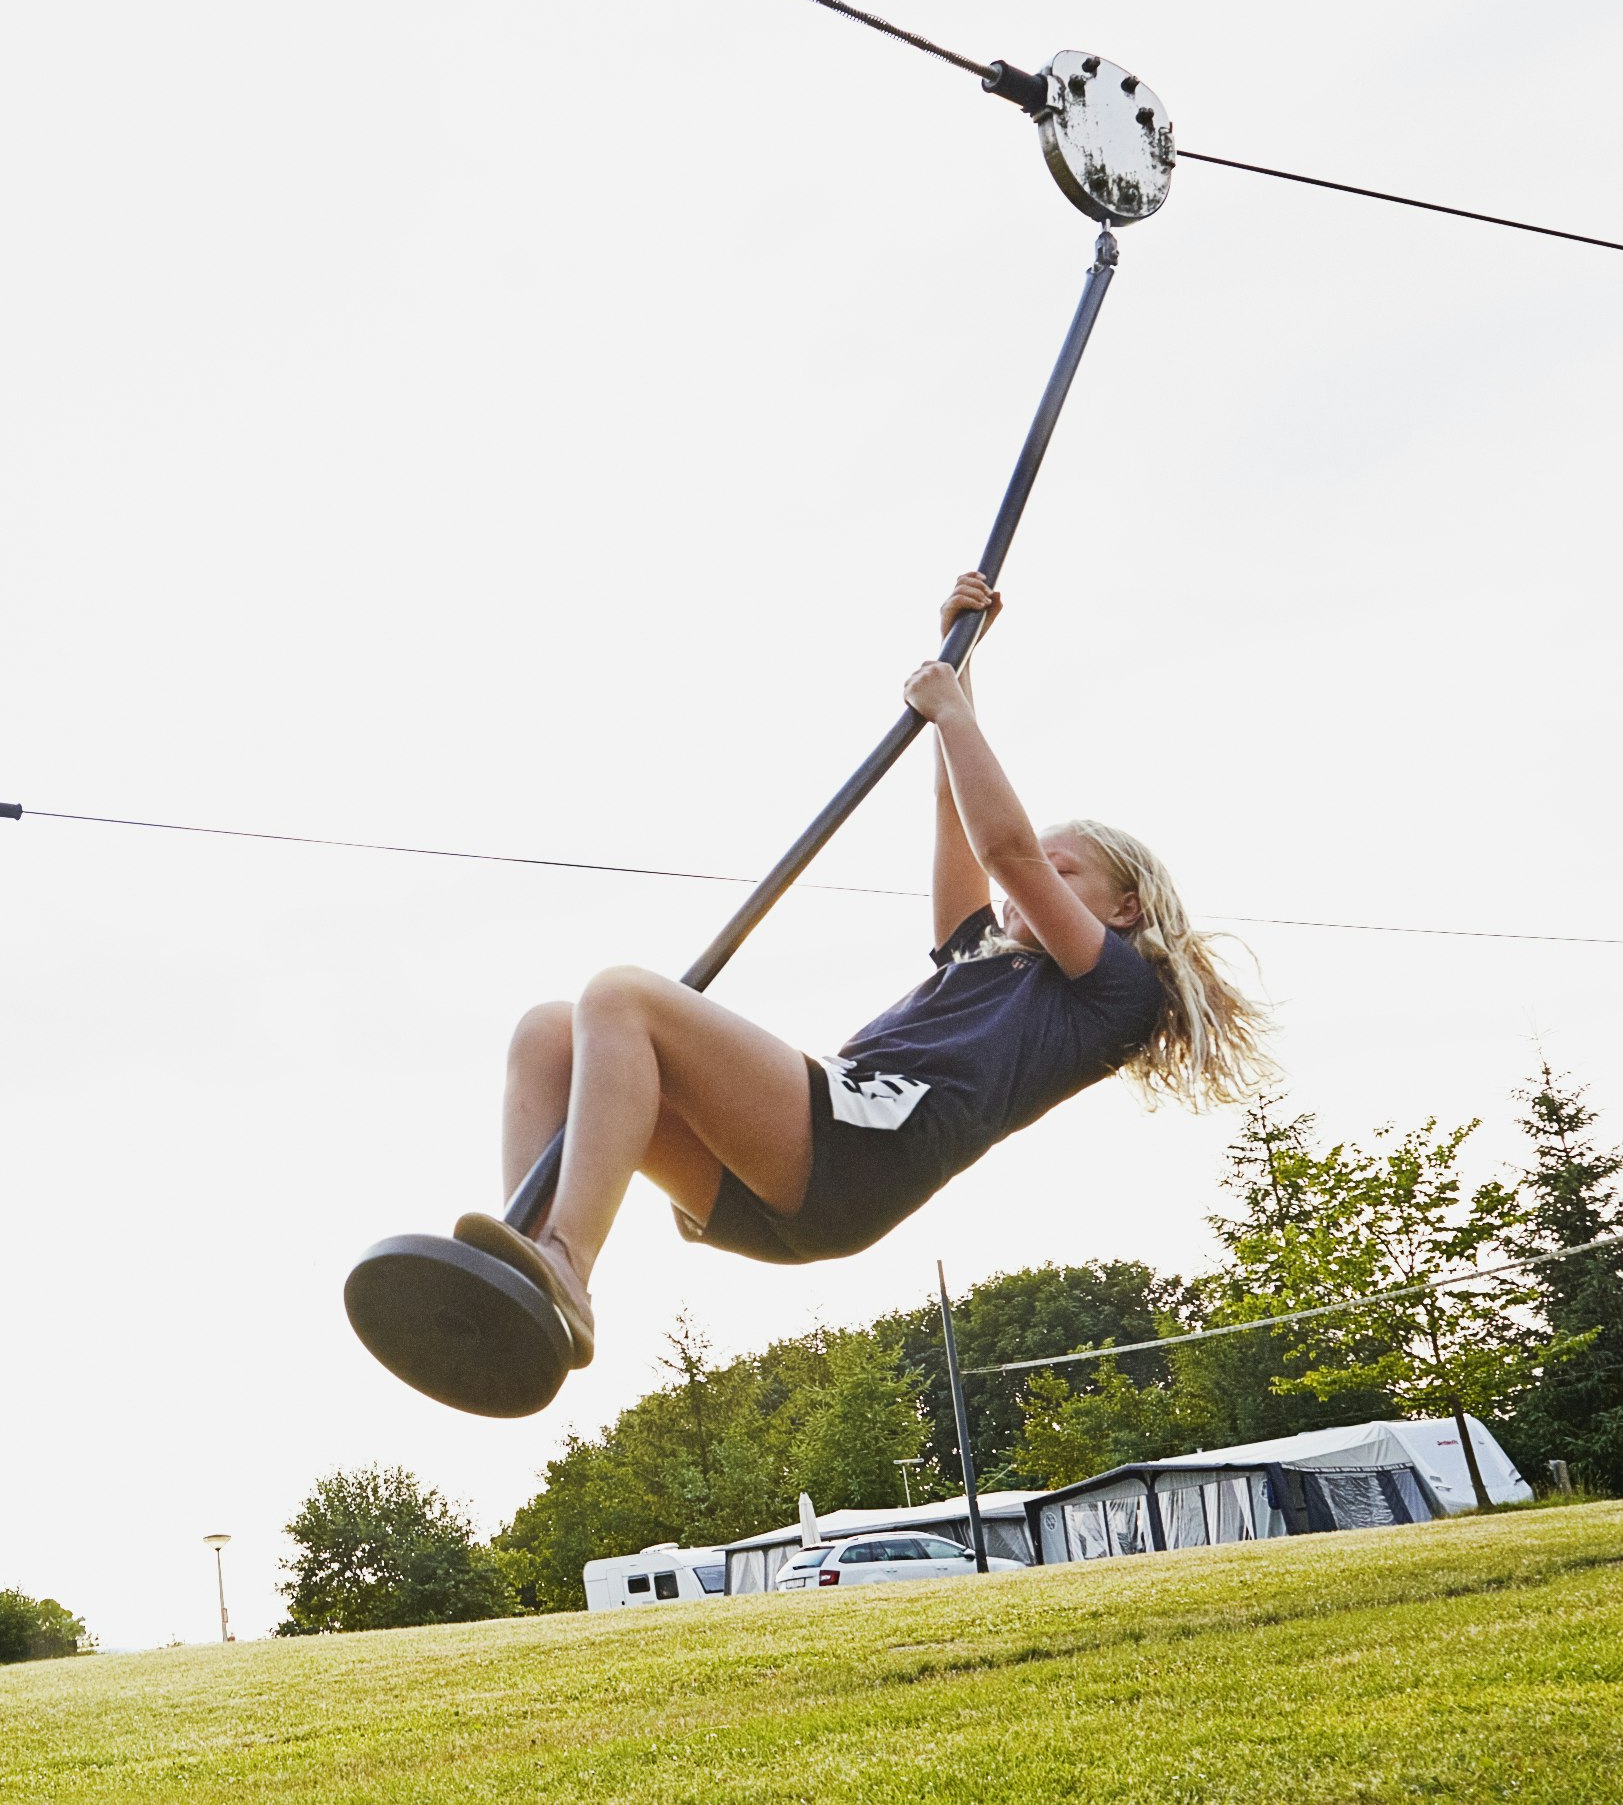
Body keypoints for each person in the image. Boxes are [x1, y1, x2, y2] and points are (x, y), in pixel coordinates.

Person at [465, 571, 1273, 1366]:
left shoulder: (1108, 994)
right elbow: (955, 817)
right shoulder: (978, 957)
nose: (1026, 887)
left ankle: (567, 1264)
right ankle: (525, 1274)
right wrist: (961, 661)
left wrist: (951, 711)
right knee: (548, 1030)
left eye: (1063, 875)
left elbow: (1006, 849)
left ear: (1125, 909)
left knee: (623, 997)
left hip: (860, 1157)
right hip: (776, 1185)